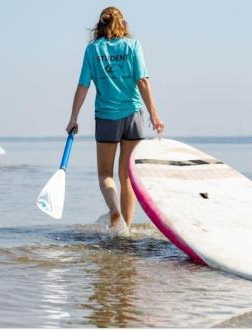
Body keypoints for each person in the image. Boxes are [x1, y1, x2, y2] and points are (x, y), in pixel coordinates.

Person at [66, 7, 164, 236]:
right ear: (123, 23)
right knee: (127, 177)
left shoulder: (92, 49)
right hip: (134, 115)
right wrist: (154, 115)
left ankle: (114, 211)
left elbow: (83, 85)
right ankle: (126, 231)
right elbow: (143, 81)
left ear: (100, 25)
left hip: (106, 117)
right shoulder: (133, 45)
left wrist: (73, 118)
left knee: (105, 174)